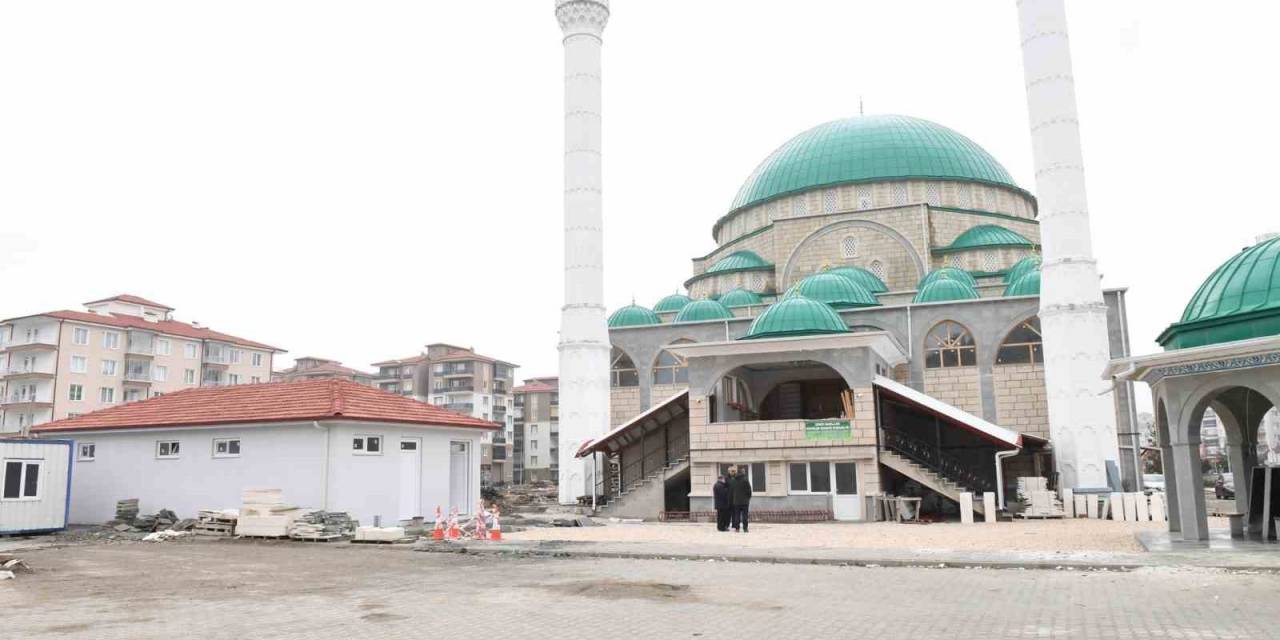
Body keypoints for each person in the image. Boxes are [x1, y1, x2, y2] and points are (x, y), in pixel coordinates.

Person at [729, 465, 752, 533]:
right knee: (745, 515)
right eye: (744, 471)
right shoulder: (745, 480)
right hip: (745, 501)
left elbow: (731, 491)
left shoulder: (733, 480)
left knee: (737, 515)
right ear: (742, 472)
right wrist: (748, 498)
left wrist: (733, 499)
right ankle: (745, 528)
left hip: (736, 501)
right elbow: (749, 490)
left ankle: (737, 528)